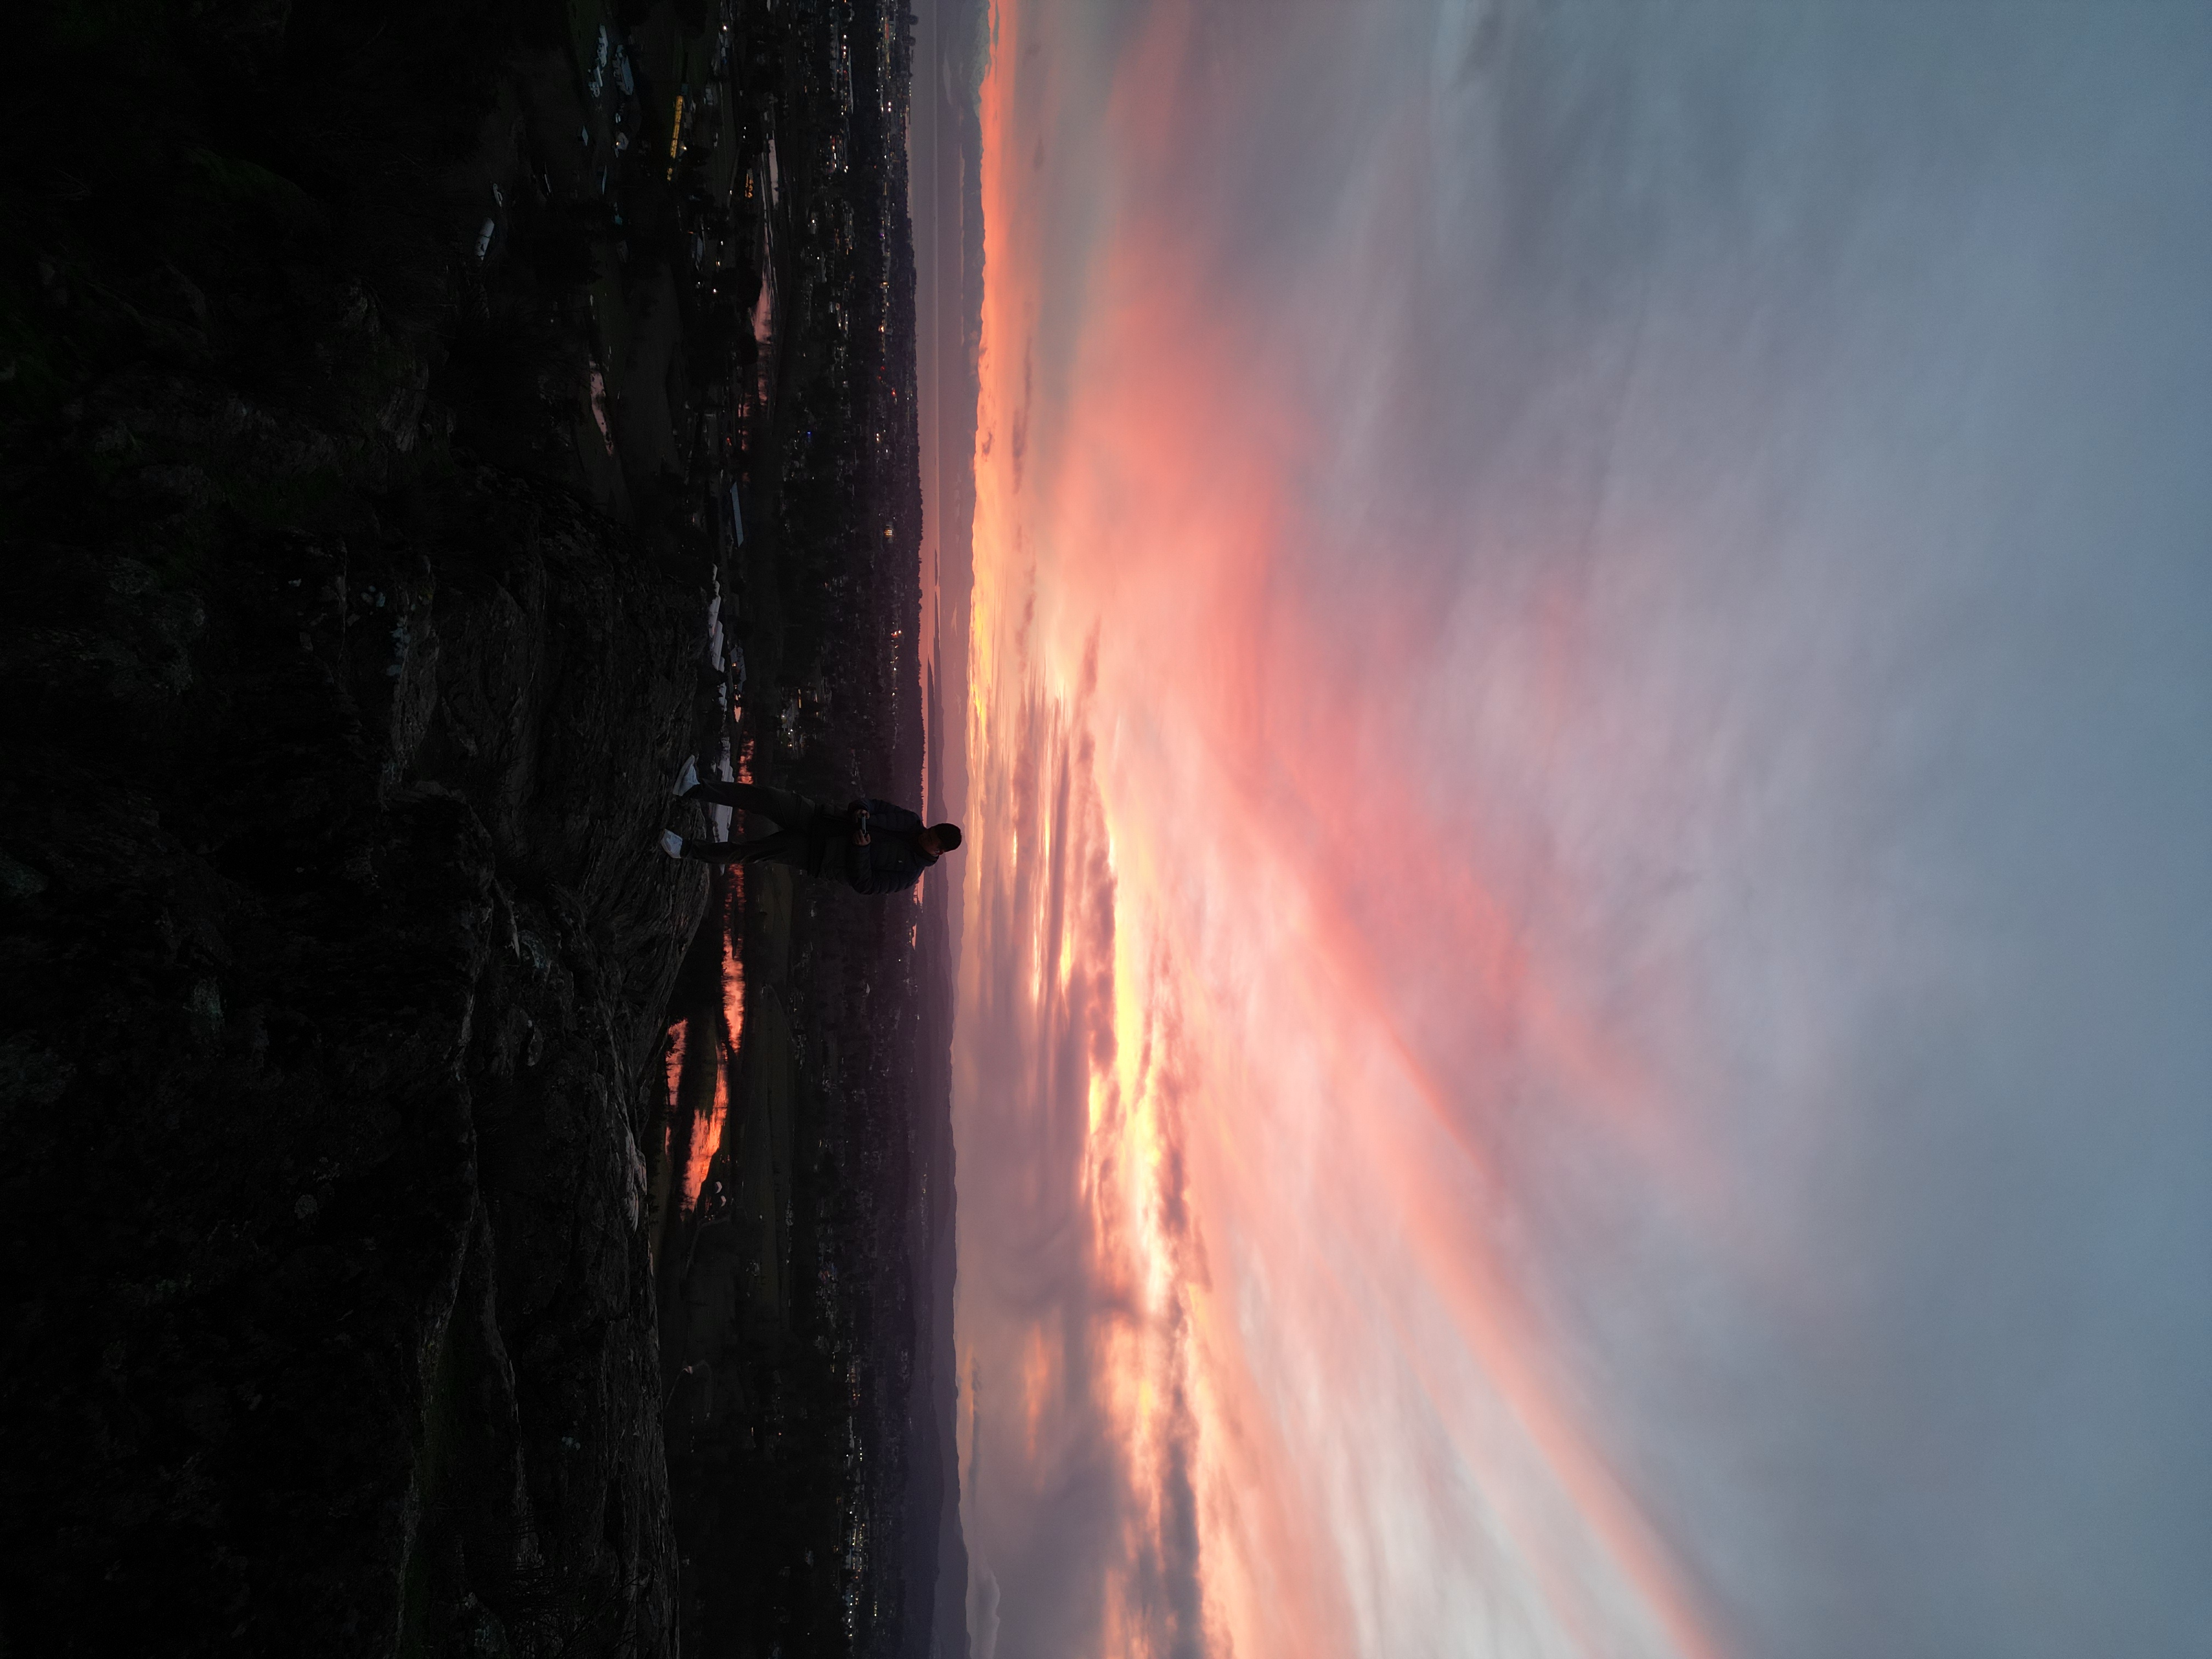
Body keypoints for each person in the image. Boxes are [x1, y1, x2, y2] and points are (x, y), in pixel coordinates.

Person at [657, 756, 961, 896]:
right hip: (821, 817)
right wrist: (862, 809)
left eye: (931, 839)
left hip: (815, 854)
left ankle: (685, 850)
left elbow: (866, 885)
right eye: (930, 830)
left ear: (940, 852)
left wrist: (861, 851)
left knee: (750, 852)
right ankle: (693, 788)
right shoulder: (910, 821)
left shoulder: (908, 875)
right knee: (764, 798)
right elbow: (876, 804)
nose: (925, 835)